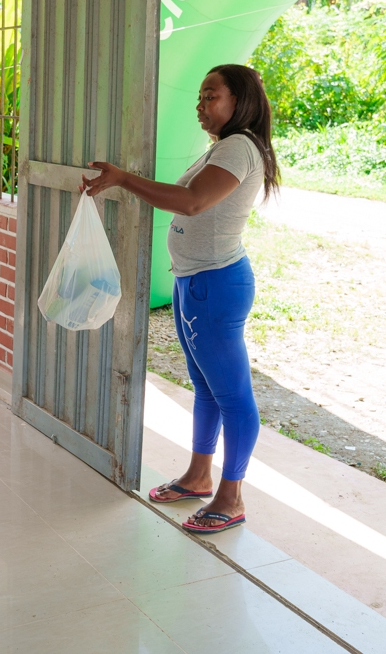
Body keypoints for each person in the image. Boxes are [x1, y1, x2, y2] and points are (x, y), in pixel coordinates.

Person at [81, 63, 278, 534]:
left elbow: (191, 202)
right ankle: (198, 475)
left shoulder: (238, 147)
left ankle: (230, 497)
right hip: (197, 280)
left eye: (211, 96)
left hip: (216, 285)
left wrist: (124, 179)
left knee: (232, 393)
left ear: (240, 101)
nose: (200, 105)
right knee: (206, 386)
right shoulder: (224, 147)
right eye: (200, 96)